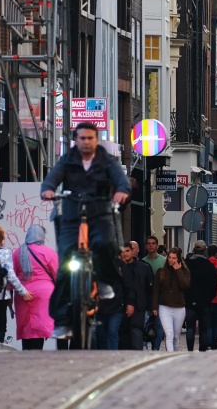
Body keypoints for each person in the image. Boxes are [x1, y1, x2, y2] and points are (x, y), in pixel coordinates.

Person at [40, 122, 131, 339]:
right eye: (82, 138)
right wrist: (48, 189)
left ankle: (104, 281)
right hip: (72, 215)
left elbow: (121, 180)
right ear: (76, 140)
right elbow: (53, 177)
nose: (86, 142)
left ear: (96, 140)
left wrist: (121, 191)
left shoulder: (107, 161)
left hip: (100, 213)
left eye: (90, 138)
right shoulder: (68, 159)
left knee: (106, 244)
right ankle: (63, 322)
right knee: (64, 267)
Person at [11, 225, 53, 349]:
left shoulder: (18, 252)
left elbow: (11, 274)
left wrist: (8, 296)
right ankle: (36, 355)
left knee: (26, 328)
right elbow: (57, 274)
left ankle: (26, 355)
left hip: (22, 293)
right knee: (40, 326)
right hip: (43, 295)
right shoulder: (48, 252)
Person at [152, 247, 190, 352]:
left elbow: (185, 285)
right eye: (169, 257)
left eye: (174, 258)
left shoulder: (184, 271)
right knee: (169, 334)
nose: (171, 260)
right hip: (164, 307)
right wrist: (154, 306)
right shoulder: (161, 272)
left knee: (176, 337)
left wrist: (178, 270)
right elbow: (156, 290)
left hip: (179, 307)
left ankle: (175, 358)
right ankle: (169, 356)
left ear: (178, 259)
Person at [184, 240, 217, 352]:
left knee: (190, 327)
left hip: (189, 300)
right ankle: (202, 351)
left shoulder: (186, 264)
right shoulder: (209, 266)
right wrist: (210, 297)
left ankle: (190, 350)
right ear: (205, 251)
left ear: (194, 249)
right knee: (204, 329)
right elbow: (214, 284)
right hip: (205, 301)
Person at [119, 241, 152, 350]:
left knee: (137, 332)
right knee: (122, 334)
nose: (125, 254)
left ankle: (136, 356)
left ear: (132, 251)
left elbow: (149, 288)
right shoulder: (117, 268)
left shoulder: (143, 267)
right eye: (123, 252)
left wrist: (150, 307)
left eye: (127, 251)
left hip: (139, 306)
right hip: (120, 306)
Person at [141, 235, 165, 350]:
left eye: (153, 243)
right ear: (146, 246)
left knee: (159, 325)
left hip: (160, 298)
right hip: (146, 298)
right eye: (149, 243)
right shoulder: (143, 262)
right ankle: (144, 346)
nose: (151, 245)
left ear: (157, 245)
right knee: (144, 324)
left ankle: (156, 349)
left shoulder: (163, 261)